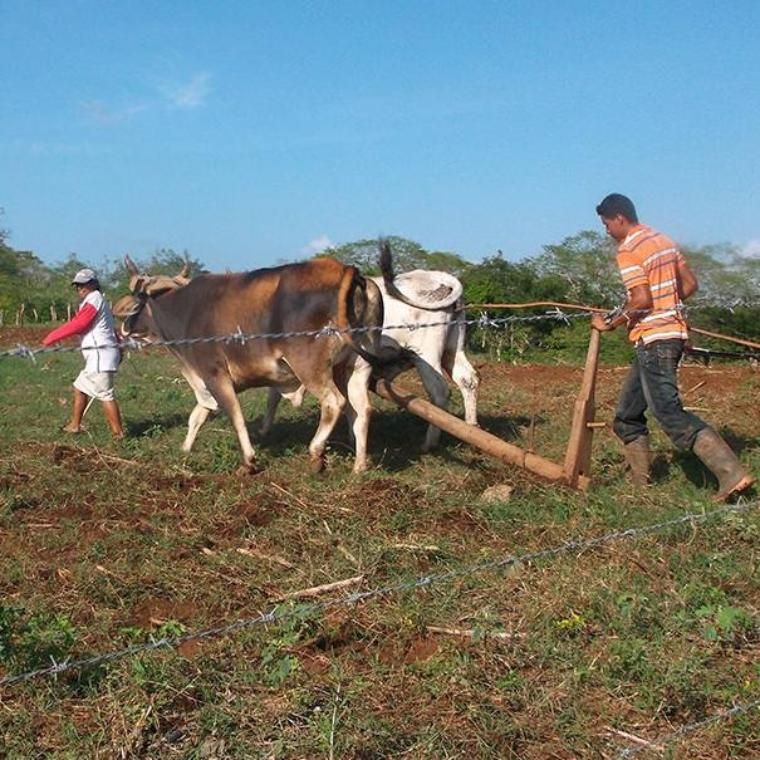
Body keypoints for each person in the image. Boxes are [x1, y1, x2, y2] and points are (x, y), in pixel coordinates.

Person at [591, 193, 753, 501]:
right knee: (627, 415)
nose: (607, 231)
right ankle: (641, 486)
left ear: (620, 218)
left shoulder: (628, 250)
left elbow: (641, 299)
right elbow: (690, 285)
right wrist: (668, 306)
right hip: (663, 335)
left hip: (655, 338)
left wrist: (609, 323)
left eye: (606, 224)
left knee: (668, 412)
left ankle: (731, 473)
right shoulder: (662, 240)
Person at [42, 268, 125, 439]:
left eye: (84, 284)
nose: (80, 288)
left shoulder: (94, 298)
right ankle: (75, 425)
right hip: (100, 354)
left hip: (100, 355)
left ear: (93, 283)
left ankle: (119, 435)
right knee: (80, 387)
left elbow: (80, 324)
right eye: (77, 285)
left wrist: (52, 337)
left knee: (105, 394)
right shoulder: (98, 300)